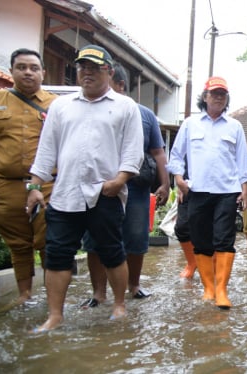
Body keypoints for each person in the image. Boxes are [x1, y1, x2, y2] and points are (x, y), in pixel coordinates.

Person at [26, 44, 144, 331]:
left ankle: (118, 304)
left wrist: (119, 181)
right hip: (66, 193)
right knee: (56, 253)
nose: (87, 72)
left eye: (94, 67)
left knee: (112, 250)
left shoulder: (125, 106)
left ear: (109, 71)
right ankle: (55, 315)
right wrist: (34, 184)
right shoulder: (60, 106)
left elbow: (133, 151)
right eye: (82, 67)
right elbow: (47, 149)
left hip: (106, 192)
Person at [81, 62, 170, 307]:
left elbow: (158, 152)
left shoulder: (144, 114)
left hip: (136, 186)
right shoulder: (87, 110)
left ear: (120, 84)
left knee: (136, 237)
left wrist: (165, 183)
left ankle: (134, 285)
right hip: (98, 185)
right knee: (95, 239)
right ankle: (99, 293)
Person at [167, 76, 247, 309]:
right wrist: (179, 178)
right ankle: (208, 288)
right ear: (205, 97)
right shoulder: (190, 124)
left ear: (227, 99)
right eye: (214, 93)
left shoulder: (235, 126)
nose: (218, 97)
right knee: (201, 240)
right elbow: (176, 156)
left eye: (222, 94)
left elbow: (242, 162)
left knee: (224, 239)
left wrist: (245, 190)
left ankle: (222, 291)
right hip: (198, 190)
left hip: (227, 191)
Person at [0, 48, 57, 305]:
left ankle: (53, 299)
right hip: (6, 186)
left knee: (49, 241)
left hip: (47, 185)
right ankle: (25, 296)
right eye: (21, 67)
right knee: (18, 244)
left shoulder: (57, 106)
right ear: (12, 72)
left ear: (43, 72)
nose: (28, 72)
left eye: (33, 67)